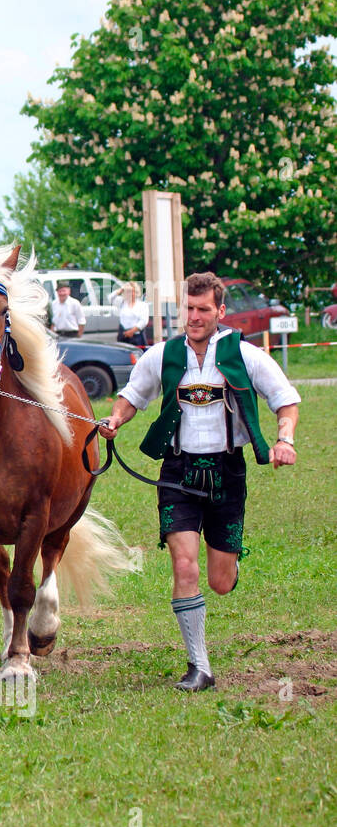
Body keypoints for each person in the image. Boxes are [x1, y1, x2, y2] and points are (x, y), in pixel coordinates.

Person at [98, 272, 300, 692]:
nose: (193, 317)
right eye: (188, 309)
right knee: (183, 564)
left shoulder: (246, 355)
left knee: (219, 582)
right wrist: (116, 419)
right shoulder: (163, 354)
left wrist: (285, 439)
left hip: (227, 471)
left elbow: (286, 399)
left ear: (220, 312)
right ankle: (199, 666)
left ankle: (229, 563)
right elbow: (132, 396)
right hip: (177, 471)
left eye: (203, 309)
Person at [116, 281, 150, 348]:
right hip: (123, 335)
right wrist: (122, 289)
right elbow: (110, 298)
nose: (130, 294)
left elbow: (144, 321)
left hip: (136, 336)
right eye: (128, 292)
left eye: (132, 291)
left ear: (136, 292)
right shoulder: (122, 303)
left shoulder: (142, 305)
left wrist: (131, 331)